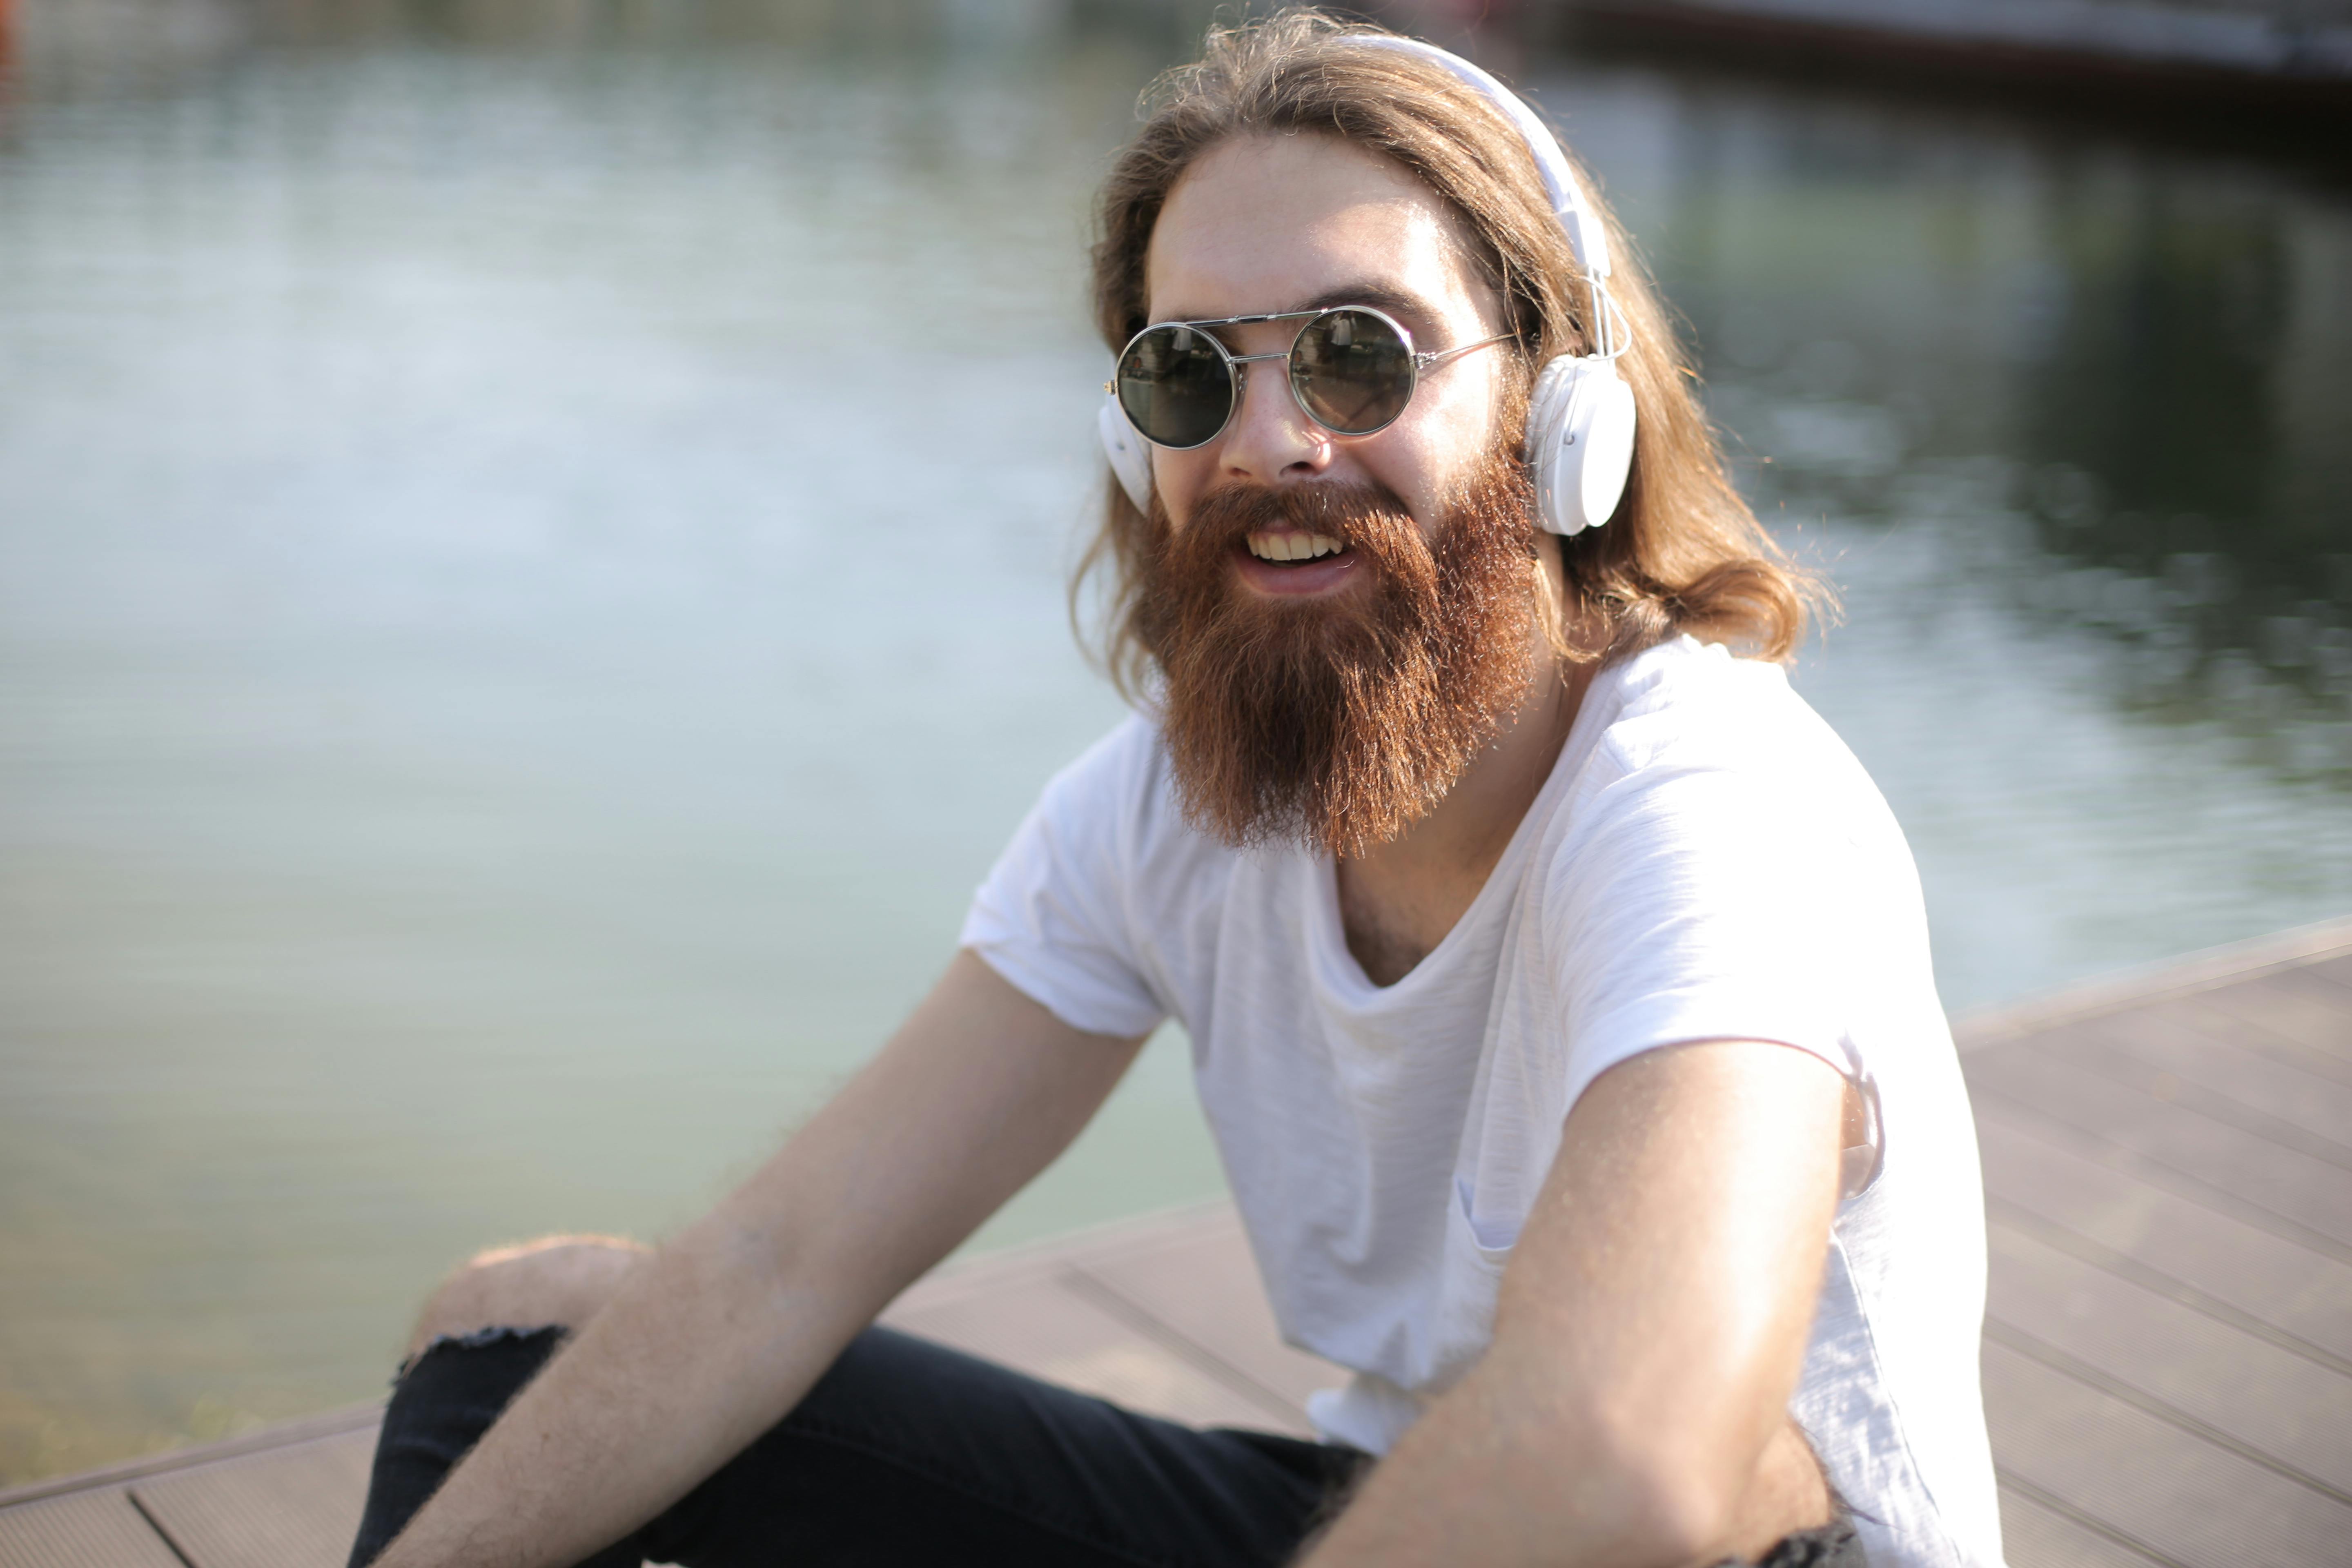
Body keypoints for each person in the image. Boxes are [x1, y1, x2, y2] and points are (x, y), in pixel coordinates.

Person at [348, 13, 2001, 1568]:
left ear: (1561, 410)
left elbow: (1628, 1462)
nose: (1276, 441)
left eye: (1361, 358)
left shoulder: (1708, 802)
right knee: (521, 1338)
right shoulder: (1161, 818)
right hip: (1414, 1518)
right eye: (1193, 375)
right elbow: (782, 1264)